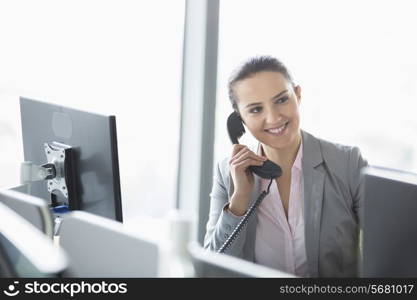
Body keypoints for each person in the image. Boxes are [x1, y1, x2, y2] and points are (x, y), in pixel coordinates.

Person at [204, 56, 368, 277]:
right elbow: (211, 271)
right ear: (239, 120)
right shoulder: (227, 175)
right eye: (255, 110)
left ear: (297, 95)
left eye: (281, 100)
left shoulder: (348, 164)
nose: (273, 118)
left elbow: (391, 245)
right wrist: (239, 201)